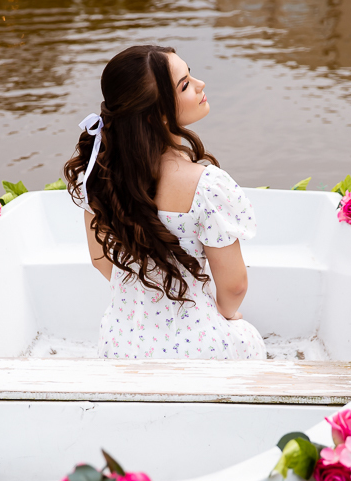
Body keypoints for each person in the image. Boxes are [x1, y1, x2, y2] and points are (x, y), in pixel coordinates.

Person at [62, 44, 266, 360]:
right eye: (185, 84)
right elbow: (235, 286)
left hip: (121, 346)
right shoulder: (207, 185)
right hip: (196, 348)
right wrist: (226, 315)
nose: (200, 85)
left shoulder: (96, 175)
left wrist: (145, 301)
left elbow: (100, 260)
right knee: (247, 339)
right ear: (156, 111)